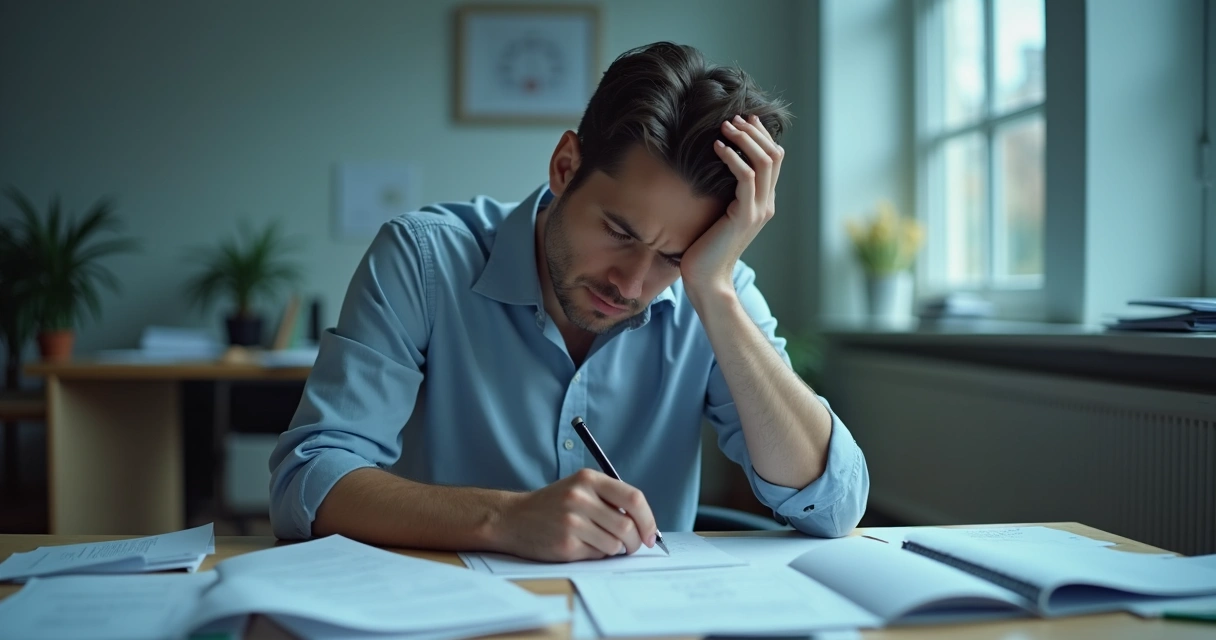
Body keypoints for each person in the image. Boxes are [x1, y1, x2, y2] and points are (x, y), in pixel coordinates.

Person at [269, 41, 869, 561]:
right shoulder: (424, 260)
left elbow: (833, 505)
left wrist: (712, 290)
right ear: (565, 166)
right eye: (620, 232)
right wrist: (503, 519)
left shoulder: (714, 289)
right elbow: (310, 477)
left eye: (672, 256)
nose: (630, 285)